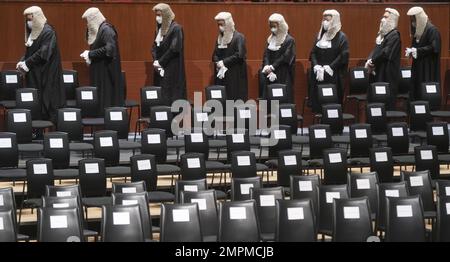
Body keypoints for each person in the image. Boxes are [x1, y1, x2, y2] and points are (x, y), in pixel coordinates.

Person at [16, 6, 65, 123]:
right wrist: (23, 61)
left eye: (31, 19)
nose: (29, 22)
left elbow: (43, 53)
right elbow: (31, 51)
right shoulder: (34, 33)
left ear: (37, 18)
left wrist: (27, 63)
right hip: (35, 74)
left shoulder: (48, 32)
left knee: (47, 102)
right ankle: (37, 132)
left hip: (47, 74)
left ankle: (51, 133)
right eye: (27, 20)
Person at [80, 7, 124, 115]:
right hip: (100, 73)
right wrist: (91, 57)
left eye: (88, 21)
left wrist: (91, 54)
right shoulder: (100, 30)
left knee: (107, 101)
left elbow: (109, 49)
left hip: (107, 75)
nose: (87, 24)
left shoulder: (106, 30)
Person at [308, 9, 349, 113]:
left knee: (331, 103)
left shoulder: (342, 37)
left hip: (333, 75)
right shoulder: (320, 36)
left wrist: (330, 67)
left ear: (334, 21)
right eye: (324, 20)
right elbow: (313, 53)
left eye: (328, 20)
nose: (325, 22)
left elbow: (343, 56)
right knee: (318, 103)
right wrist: (316, 66)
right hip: (319, 74)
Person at [365, 8, 401, 109]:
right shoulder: (384, 35)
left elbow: (385, 52)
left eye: (385, 17)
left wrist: (373, 61)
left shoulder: (394, 35)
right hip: (378, 70)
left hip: (386, 73)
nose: (382, 19)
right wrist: (369, 60)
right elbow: (376, 50)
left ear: (392, 19)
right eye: (383, 17)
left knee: (384, 101)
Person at [152, 3, 186, 105]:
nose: (157, 18)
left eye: (160, 15)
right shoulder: (159, 30)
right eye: (156, 15)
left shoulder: (176, 29)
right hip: (160, 70)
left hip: (172, 70)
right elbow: (154, 47)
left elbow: (174, 48)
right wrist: (155, 61)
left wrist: (160, 62)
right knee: (161, 97)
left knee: (171, 98)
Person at [406, 6, 441, 100]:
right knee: (415, 87)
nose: (412, 22)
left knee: (424, 89)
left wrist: (418, 51)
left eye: (414, 19)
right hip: (418, 65)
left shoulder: (432, 30)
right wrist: (411, 51)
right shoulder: (419, 30)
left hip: (428, 66)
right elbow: (415, 45)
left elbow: (434, 47)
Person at [258, 13, 296, 101]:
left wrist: (273, 67)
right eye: (271, 26)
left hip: (282, 72)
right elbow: (266, 55)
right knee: (269, 98)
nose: (272, 29)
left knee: (281, 97)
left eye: (274, 26)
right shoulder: (270, 39)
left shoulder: (289, 40)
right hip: (269, 73)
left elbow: (286, 56)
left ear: (281, 26)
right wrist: (267, 66)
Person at [212, 12, 248, 101]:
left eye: (222, 24)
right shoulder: (219, 38)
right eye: (218, 25)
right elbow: (215, 54)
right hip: (222, 74)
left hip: (235, 74)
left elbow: (240, 55)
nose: (220, 27)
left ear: (228, 24)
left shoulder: (239, 37)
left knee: (234, 97)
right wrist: (218, 62)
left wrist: (224, 62)